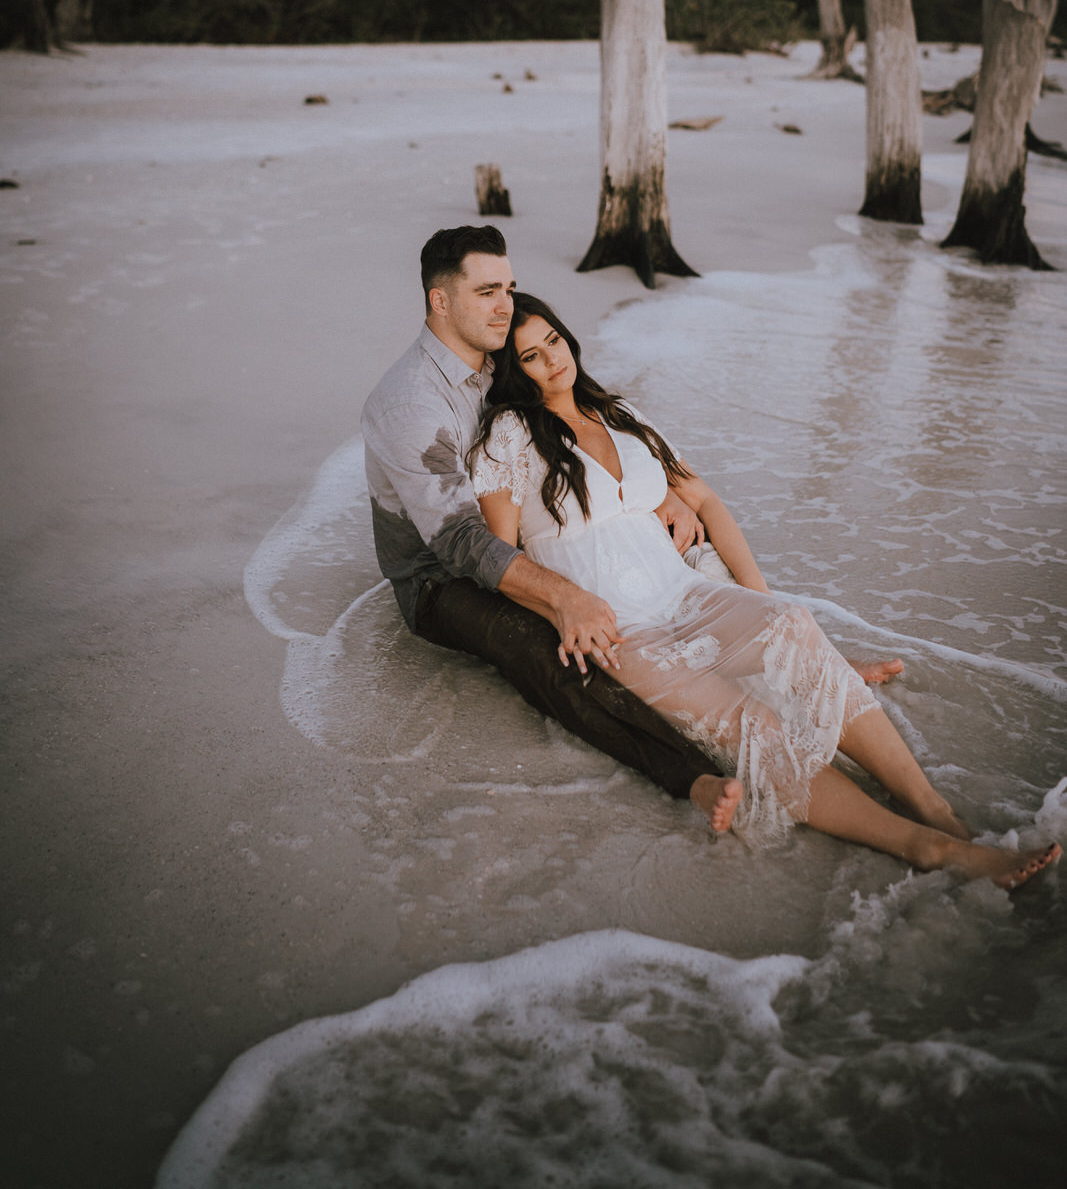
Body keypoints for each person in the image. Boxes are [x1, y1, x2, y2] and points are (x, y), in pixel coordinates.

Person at [469, 291, 1061, 890]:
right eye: (531, 356)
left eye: (553, 341)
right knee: (752, 725)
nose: (552, 359)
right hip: (620, 627)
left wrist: (764, 602)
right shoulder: (509, 437)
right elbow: (502, 558)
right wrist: (561, 606)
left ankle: (932, 805)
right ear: (514, 374)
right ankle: (923, 844)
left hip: (684, 593)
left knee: (792, 627)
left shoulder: (619, 414)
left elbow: (703, 498)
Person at [361, 225, 741, 832]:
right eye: (487, 291)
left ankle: (762, 669)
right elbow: (460, 543)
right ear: (440, 300)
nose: (505, 305)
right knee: (543, 643)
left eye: (508, 287)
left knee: (660, 560)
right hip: (439, 576)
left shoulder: (497, 358)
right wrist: (565, 597)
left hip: (514, 533)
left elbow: (567, 429)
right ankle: (691, 773)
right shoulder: (411, 404)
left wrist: (662, 494)